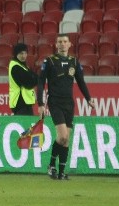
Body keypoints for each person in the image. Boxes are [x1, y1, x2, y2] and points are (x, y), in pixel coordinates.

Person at [37, 34, 94, 180]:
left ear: (70, 45)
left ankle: (61, 171)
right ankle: (51, 165)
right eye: (59, 42)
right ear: (56, 45)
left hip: (69, 103)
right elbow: (41, 82)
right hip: (55, 102)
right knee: (62, 136)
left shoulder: (74, 61)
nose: (62, 44)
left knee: (66, 139)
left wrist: (88, 98)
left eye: (65, 42)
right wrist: (41, 104)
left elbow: (80, 81)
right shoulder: (49, 61)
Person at [9, 44, 38, 116]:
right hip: (20, 102)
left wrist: (34, 79)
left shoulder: (23, 66)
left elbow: (35, 77)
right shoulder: (16, 67)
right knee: (25, 126)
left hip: (24, 103)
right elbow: (28, 84)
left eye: (25, 53)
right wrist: (34, 80)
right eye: (21, 53)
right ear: (16, 54)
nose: (24, 56)